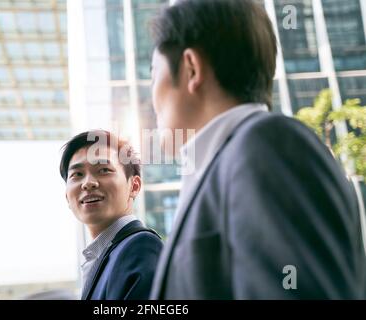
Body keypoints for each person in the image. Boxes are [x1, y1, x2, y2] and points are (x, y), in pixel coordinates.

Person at [149, 0, 365, 299]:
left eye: (153, 73)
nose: (152, 98)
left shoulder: (267, 145)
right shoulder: (223, 165)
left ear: (190, 68)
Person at [59, 130, 163, 300]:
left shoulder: (140, 245)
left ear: (134, 186)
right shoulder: (105, 255)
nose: (88, 183)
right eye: (77, 174)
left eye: (104, 170)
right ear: (67, 197)